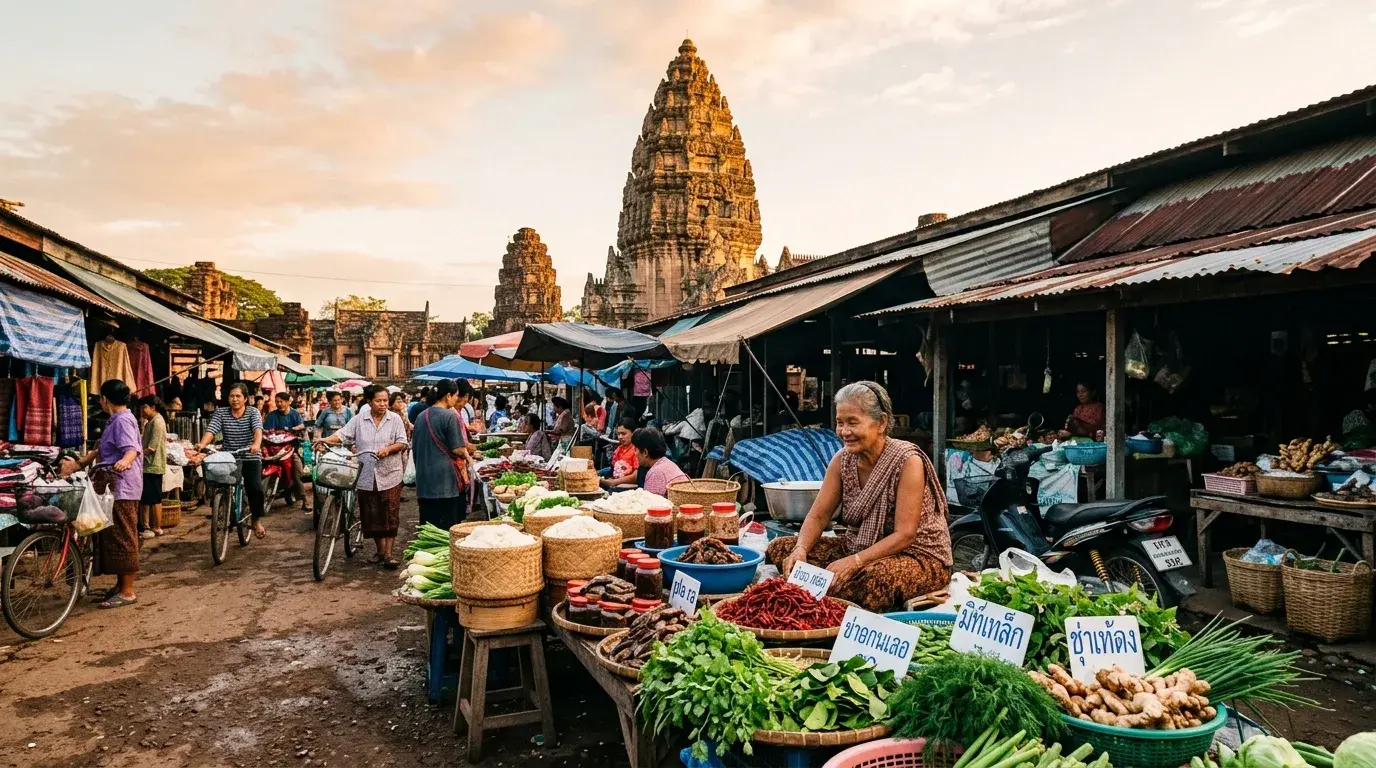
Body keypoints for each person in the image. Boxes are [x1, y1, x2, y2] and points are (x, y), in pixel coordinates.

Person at [766, 381, 952, 613]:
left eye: (853, 422)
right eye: (840, 423)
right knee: (781, 548)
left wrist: (854, 562)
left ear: (881, 422)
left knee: (874, 581)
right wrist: (801, 549)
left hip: (917, 556)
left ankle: (817, 594)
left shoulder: (907, 461)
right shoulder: (842, 460)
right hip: (858, 546)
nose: (844, 431)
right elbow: (818, 516)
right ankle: (820, 591)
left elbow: (905, 535)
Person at [66, 380, 143, 609]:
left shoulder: (123, 420)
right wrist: (82, 462)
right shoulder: (115, 420)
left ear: (104, 400)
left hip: (122, 487)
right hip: (111, 486)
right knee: (113, 537)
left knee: (123, 536)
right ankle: (120, 587)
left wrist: (124, 462)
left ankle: (127, 591)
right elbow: (100, 448)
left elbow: (132, 449)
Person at [318, 386, 409, 568]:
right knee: (371, 512)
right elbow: (342, 435)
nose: (383, 404)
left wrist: (388, 449)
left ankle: (389, 555)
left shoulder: (395, 419)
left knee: (390, 512)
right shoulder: (360, 419)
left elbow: (402, 442)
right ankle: (380, 550)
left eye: (385, 400)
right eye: (378, 401)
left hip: (390, 473)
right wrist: (325, 440)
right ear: (369, 402)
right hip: (366, 474)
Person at [197, 382, 267, 539]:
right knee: (218, 482)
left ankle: (255, 520)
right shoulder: (221, 413)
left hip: (250, 456)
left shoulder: (253, 412)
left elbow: (257, 431)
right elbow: (211, 430)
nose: (234, 399)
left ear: (245, 398)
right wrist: (202, 444)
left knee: (255, 488)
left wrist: (256, 444)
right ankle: (223, 506)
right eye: (231, 396)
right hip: (229, 456)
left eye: (238, 396)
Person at [413, 379, 474, 530]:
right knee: (446, 529)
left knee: (428, 527)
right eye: (455, 395)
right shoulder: (449, 416)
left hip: (424, 480)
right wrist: (469, 457)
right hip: (445, 482)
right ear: (448, 396)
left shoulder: (421, 416)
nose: (456, 399)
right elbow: (457, 448)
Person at [264, 391, 307, 506]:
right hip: (273, 448)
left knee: (297, 471)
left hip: (290, 448)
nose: (279, 404)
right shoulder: (272, 415)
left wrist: (295, 428)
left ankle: (304, 500)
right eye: (277, 402)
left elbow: (302, 425)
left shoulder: (294, 414)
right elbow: (266, 429)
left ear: (288, 402)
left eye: (281, 401)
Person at [138, 395, 168, 539]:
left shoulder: (158, 422)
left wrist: (137, 455)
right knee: (146, 497)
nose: (142, 411)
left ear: (153, 408)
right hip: (147, 465)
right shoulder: (150, 422)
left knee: (155, 498)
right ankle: (146, 525)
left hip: (153, 465)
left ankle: (156, 527)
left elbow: (152, 447)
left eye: (144, 407)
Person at [633, 427, 687, 496]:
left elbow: (650, 503)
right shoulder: (668, 463)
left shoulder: (656, 472)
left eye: (635, 450)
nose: (634, 453)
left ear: (645, 452)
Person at [600, 419, 640, 489]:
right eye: (618, 434)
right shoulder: (618, 450)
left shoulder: (637, 451)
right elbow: (613, 470)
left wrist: (614, 482)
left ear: (633, 433)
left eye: (624, 434)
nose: (620, 437)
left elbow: (635, 476)